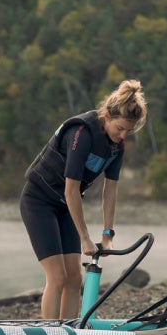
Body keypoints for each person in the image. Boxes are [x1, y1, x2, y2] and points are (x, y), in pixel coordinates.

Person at [19, 79, 148, 321]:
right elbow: (72, 190)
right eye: (120, 128)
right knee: (57, 277)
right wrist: (85, 238)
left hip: (64, 206)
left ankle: (68, 333)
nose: (123, 136)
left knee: (74, 279)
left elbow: (110, 190)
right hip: (38, 201)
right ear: (107, 116)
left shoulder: (116, 147)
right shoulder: (82, 133)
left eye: (129, 131)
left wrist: (107, 234)